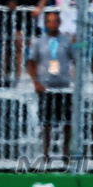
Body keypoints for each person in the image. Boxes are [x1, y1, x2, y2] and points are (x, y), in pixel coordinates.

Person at [26, 9, 74, 160]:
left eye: (54, 21)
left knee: (67, 121)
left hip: (63, 86)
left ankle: (66, 151)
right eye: (48, 21)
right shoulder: (39, 41)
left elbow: (77, 58)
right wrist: (36, 82)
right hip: (45, 87)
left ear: (59, 23)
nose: (51, 24)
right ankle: (45, 152)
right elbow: (31, 62)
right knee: (46, 122)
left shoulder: (66, 41)